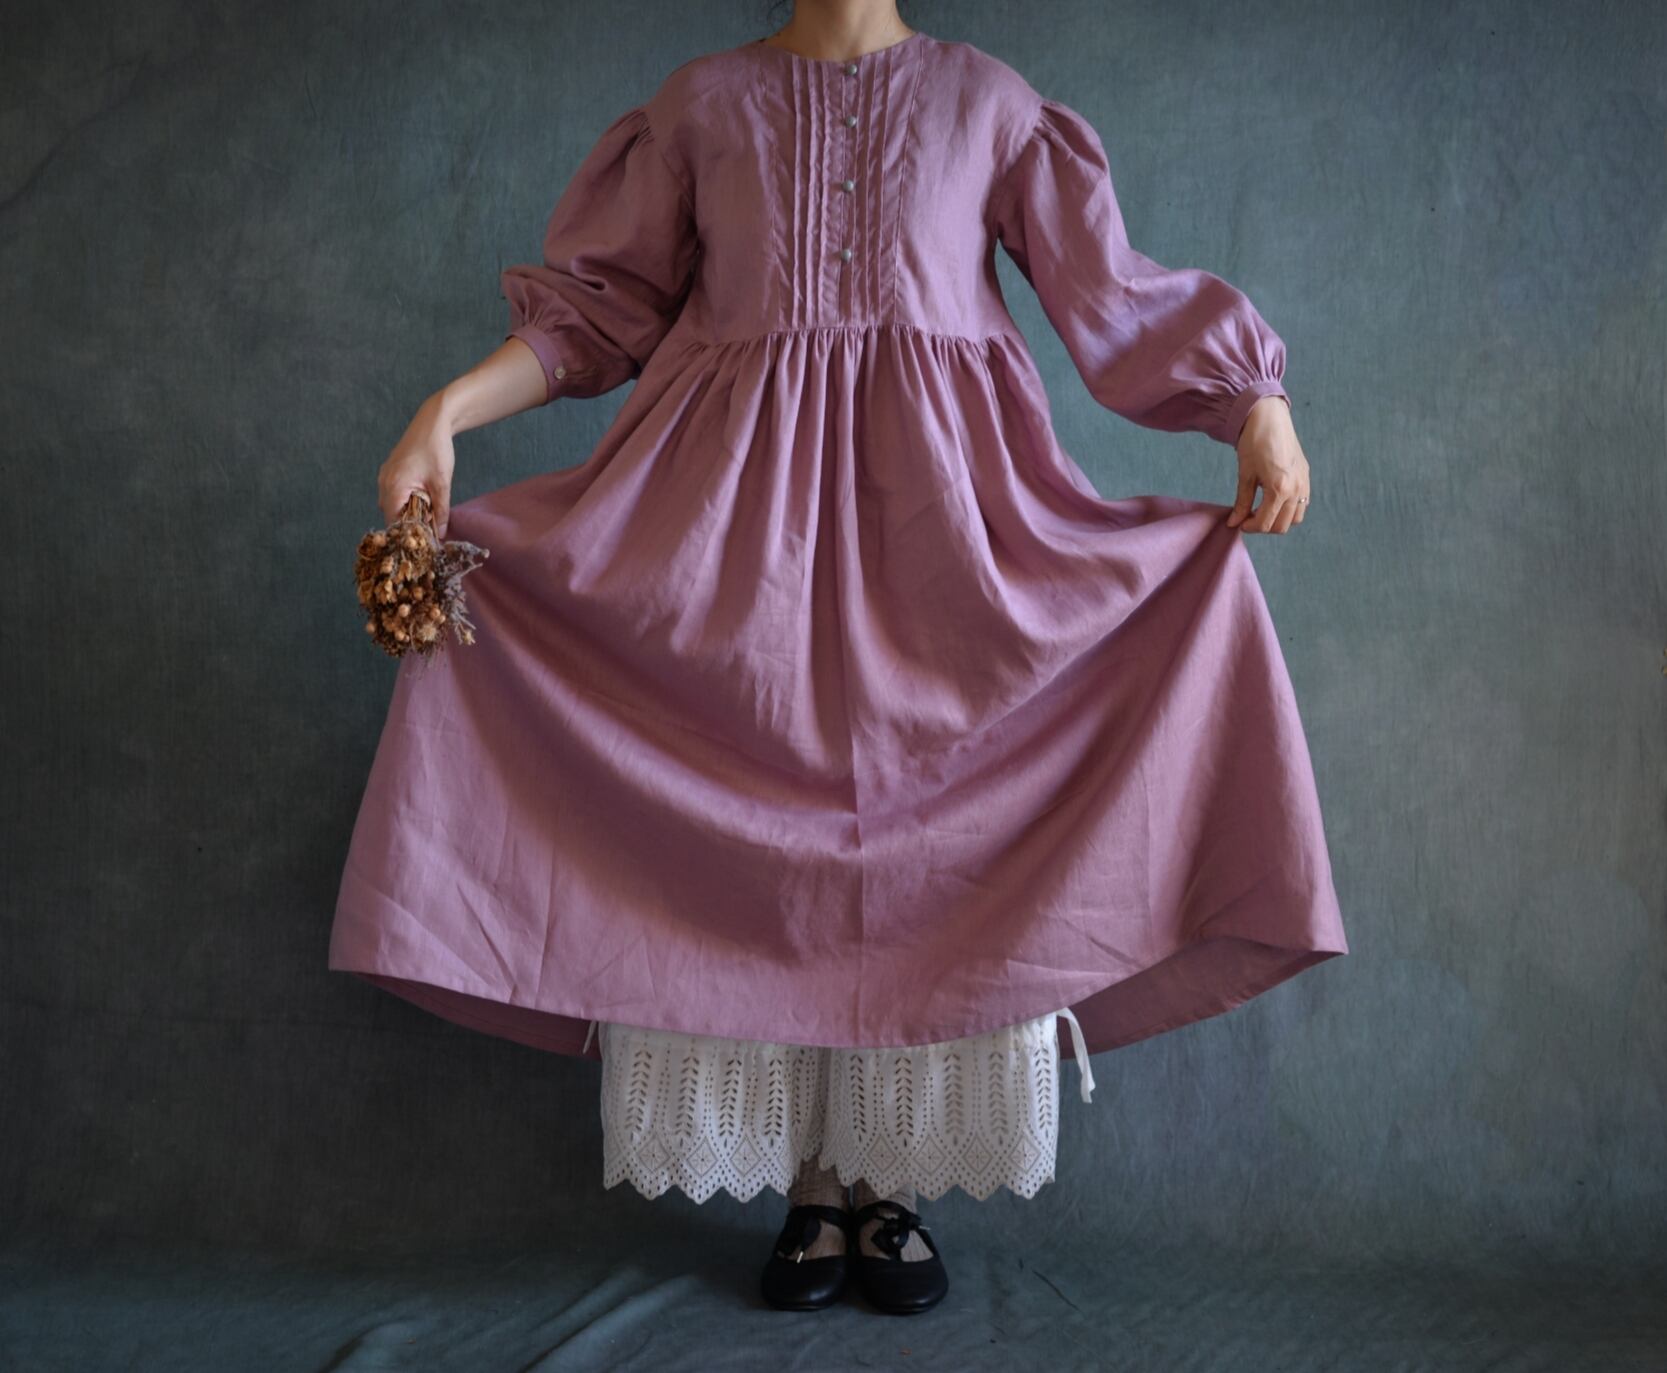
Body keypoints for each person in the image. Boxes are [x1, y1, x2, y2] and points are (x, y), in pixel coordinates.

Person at [328, 0, 1348, 1317]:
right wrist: (445, 411)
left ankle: (887, 1179)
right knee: (770, 853)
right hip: (722, 552)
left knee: (925, 849)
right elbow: (594, 314)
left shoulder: (989, 103)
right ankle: (812, 1180)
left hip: (950, 543)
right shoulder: (701, 105)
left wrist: (1252, 401)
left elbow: (1112, 296)